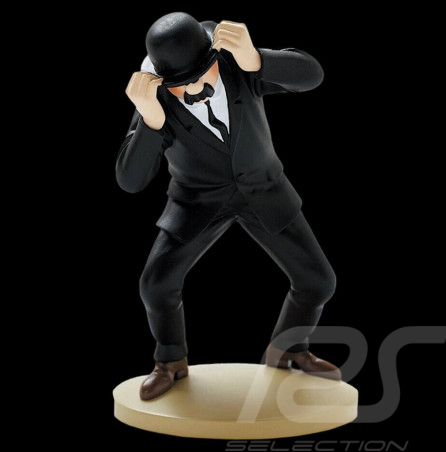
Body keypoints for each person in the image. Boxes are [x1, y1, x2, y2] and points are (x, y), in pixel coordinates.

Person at [117, 12, 340, 401]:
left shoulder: (239, 66)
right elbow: (130, 181)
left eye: (201, 75)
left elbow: (312, 75)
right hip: (197, 200)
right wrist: (151, 120)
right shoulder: (157, 102)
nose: (193, 88)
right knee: (155, 285)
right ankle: (169, 361)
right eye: (180, 85)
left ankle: (289, 349)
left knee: (318, 281)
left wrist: (257, 58)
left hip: (264, 189)